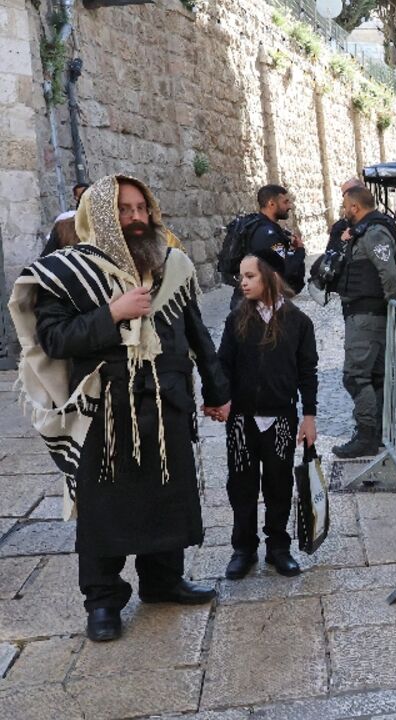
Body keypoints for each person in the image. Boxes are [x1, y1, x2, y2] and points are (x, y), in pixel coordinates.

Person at [7, 175, 231, 642]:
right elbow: (55, 339)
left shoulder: (173, 264)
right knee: (105, 508)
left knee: (166, 496)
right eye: (123, 210)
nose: (135, 218)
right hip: (104, 411)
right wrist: (112, 313)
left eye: (141, 208)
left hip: (166, 403)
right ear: (102, 216)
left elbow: (195, 334)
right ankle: (103, 601)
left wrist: (217, 388)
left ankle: (163, 580)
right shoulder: (67, 273)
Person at [218, 250, 319, 580]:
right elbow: (224, 366)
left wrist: (309, 416)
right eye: (241, 277)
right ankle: (243, 548)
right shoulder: (236, 320)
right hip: (243, 420)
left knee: (278, 483)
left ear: (270, 277)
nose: (243, 283)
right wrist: (221, 399)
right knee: (242, 484)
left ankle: (278, 546)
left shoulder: (298, 322)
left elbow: (308, 371)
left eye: (250, 276)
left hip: (281, 419)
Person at [333, 187, 396, 458]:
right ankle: (376, 435)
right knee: (375, 377)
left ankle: (366, 436)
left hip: (368, 317)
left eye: (345, 206)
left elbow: (389, 274)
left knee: (355, 376)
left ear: (354, 207)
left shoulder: (374, 231)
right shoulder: (366, 229)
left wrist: (391, 305)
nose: (344, 211)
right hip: (367, 315)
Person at [233, 185, 306, 305]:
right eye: (285, 202)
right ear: (271, 204)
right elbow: (287, 268)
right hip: (260, 303)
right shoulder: (268, 234)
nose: (289, 206)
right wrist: (299, 250)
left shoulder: (261, 226)